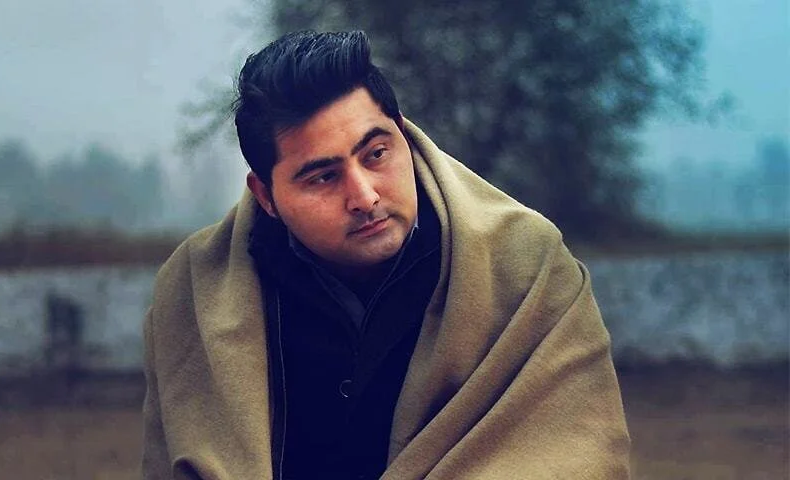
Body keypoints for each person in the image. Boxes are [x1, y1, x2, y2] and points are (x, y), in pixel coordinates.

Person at [141, 30, 630, 480]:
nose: (364, 196)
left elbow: (581, 457)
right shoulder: (194, 290)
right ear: (266, 196)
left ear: (403, 135)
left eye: (376, 154)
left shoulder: (528, 267)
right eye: (323, 177)